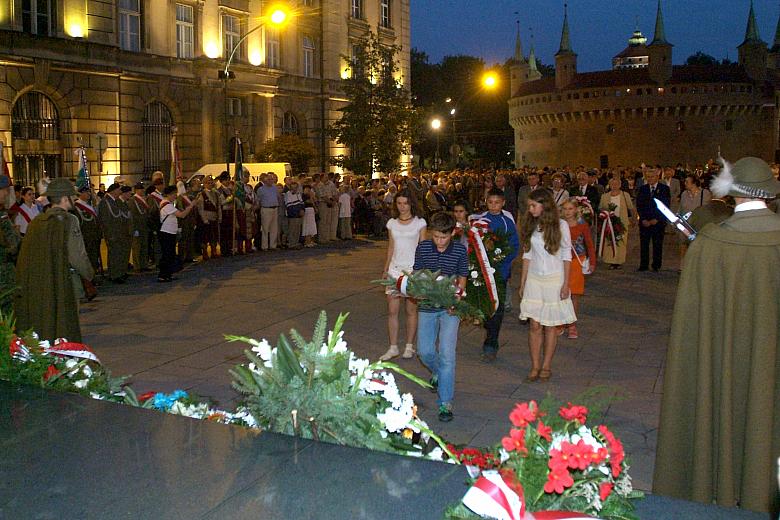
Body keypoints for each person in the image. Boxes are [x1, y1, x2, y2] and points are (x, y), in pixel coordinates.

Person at [653, 157, 780, 513]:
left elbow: (693, 328)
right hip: (771, 363)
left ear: (731, 192)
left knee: (720, 402)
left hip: (721, 364)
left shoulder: (709, 244)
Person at [14, 178, 94, 341]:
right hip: (65, 279)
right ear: (65, 198)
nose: (75, 199)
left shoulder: (37, 221)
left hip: (41, 281)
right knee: (67, 323)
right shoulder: (70, 220)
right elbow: (77, 255)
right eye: (72, 196)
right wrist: (89, 274)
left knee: (47, 320)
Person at [412, 211, 468, 422]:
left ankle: (445, 402)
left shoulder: (460, 250)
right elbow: (417, 273)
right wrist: (417, 289)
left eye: (443, 237)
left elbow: (462, 278)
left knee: (447, 354)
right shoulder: (424, 247)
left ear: (452, 233)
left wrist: (457, 300)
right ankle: (439, 373)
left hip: (449, 308)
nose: (439, 241)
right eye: (435, 236)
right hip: (427, 304)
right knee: (424, 351)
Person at [518, 189, 576, 383]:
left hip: (554, 278)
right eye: (529, 206)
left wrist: (566, 283)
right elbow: (527, 253)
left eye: (534, 205)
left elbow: (567, 256)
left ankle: (546, 365)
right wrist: (523, 281)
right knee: (534, 324)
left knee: (550, 325)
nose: (531, 209)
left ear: (545, 205)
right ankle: (534, 365)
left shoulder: (561, 226)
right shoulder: (531, 224)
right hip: (535, 278)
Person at [380, 189, 427, 361]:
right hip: (394, 269)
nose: (402, 207)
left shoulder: (420, 223)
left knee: (411, 310)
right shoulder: (392, 223)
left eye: (405, 203)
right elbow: (391, 247)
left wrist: (420, 270)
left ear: (411, 204)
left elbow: (422, 248)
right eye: (399, 203)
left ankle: (409, 345)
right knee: (392, 310)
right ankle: (393, 347)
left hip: (412, 270)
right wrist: (385, 269)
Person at [475, 189, 520, 364]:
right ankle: (488, 324)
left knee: (498, 307)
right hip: (481, 271)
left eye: (497, 202)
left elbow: (514, 246)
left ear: (503, 203)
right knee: (484, 306)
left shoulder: (507, 221)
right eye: (490, 202)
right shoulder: (480, 220)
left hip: (500, 271)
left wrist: (503, 262)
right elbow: (474, 242)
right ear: (486, 202)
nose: (493, 206)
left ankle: (491, 343)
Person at [561, 199, 596, 339]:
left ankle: (571, 324)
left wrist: (592, 262)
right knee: (561, 293)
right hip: (561, 262)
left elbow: (589, 244)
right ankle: (560, 322)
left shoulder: (582, 224)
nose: (567, 212)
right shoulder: (560, 224)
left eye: (570, 209)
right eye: (565, 209)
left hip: (576, 261)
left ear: (576, 209)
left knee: (574, 294)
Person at [158, 185, 199, 282]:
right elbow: (182, 215)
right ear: (169, 194)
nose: (175, 196)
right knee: (167, 254)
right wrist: (191, 205)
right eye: (174, 194)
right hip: (166, 232)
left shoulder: (168, 204)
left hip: (170, 231)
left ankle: (168, 273)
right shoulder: (166, 205)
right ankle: (163, 275)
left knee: (170, 254)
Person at [635, 168, 671, 272]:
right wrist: (643, 219)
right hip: (644, 221)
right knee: (644, 244)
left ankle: (656, 265)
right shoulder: (643, 189)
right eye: (648, 177)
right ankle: (644, 264)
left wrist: (657, 218)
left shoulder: (664, 189)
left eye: (652, 177)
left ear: (657, 177)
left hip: (658, 222)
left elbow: (666, 205)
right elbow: (639, 205)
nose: (650, 179)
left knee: (657, 244)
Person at [97, 183, 131, 283]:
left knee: (119, 254)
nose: (120, 192)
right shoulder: (105, 202)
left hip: (119, 233)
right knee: (114, 255)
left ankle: (119, 273)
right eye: (119, 190)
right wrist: (109, 234)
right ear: (114, 190)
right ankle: (114, 275)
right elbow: (105, 220)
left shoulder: (114, 201)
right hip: (113, 233)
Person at [599, 177, 634, 270]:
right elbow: (601, 208)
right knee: (609, 242)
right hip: (609, 222)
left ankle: (619, 261)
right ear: (609, 185)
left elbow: (631, 207)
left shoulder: (625, 195)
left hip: (622, 222)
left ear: (620, 185)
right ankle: (611, 260)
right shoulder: (604, 196)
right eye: (612, 184)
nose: (614, 186)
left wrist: (634, 219)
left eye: (616, 184)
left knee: (621, 242)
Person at [678, 174, 712, 260]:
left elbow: (707, 209)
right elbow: (681, 209)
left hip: (698, 225)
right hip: (685, 225)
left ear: (693, 184)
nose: (685, 183)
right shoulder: (684, 194)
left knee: (697, 247)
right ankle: (683, 266)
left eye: (687, 182)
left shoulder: (705, 193)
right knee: (684, 245)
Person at [0, 176, 20, 314]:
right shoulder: (2, 216)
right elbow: (12, 244)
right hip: (4, 275)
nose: (7, 193)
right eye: (5, 190)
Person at [73, 186, 102, 274]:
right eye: (86, 192)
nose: (89, 194)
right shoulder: (76, 207)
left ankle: (93, 274)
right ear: (80, 194)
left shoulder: (89, 205)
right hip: (85, 237)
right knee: (87, 257)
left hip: (94, 236)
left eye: (89, 192)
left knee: (93, 257)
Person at [128, 182, 151, 273]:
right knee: (137, 247)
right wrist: (134, 229)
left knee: (144, 246)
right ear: (136, 190)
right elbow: (132, 215)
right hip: (137, 226)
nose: (142, 190)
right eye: (140, 189)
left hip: (144, 226)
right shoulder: (133, 200)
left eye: (142, 189)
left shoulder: (143, 199)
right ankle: (137, 266)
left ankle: (144, 264)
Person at [196, 175, 220, 259]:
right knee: (204, 237)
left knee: (214, 236)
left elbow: (218, 206)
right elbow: (200, 208)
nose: (210, 184)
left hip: (214, 218)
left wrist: (219, 217)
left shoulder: (216, 194)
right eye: (208, 183)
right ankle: (205, 252)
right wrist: (204, 219)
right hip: (206, 219)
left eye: (211, 182)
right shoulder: (201, 194)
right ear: (204, 184)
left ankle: (214, 251)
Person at [256, 173, 280, 251]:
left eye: (272, 179)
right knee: (265, 228)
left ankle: (273, 245)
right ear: (265, 180)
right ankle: (265, 246)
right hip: (266, 209)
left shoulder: (275, 188)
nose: (270, 181)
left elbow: (278, 197)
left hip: (275, 209)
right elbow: (258, 200)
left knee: (274, 228)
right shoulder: (261, 189)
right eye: (269, 179)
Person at [284, 181, 305, 248]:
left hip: (299, 215)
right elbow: (289, 206)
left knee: (297, 229)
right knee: (292, 229)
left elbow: (301, 203)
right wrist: (297, 212)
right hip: (293, 215)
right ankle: (291, 243)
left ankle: (296, 243)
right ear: (290, 187)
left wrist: (302, 210)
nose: (294, 189)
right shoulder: (288, 194)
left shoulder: (298, 194)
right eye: (293, 187)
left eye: (296, 187)